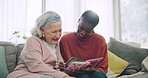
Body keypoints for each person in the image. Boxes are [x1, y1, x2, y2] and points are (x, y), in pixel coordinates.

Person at [7, 11, 75, 78]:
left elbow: (57, 67)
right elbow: (36, 66)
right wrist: (64, 76)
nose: (58, 35)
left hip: (46, 75)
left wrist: (63, 67)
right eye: (54, 32)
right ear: (42, 30)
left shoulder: (55, 44)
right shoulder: (33, 41)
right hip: (25, 74)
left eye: (60, 31)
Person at [59, 10, 108, 78]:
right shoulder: (65, 40)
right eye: (81, 28)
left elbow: (102, 69)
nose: (82, 33)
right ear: (79, 21)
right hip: (73, 74)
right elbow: (61, 65)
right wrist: (61, 66)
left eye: (88, 31)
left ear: (93, 29)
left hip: (93, 72)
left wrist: (92, 69)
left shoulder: (100, 41)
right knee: (84, 76)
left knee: (100, 76)